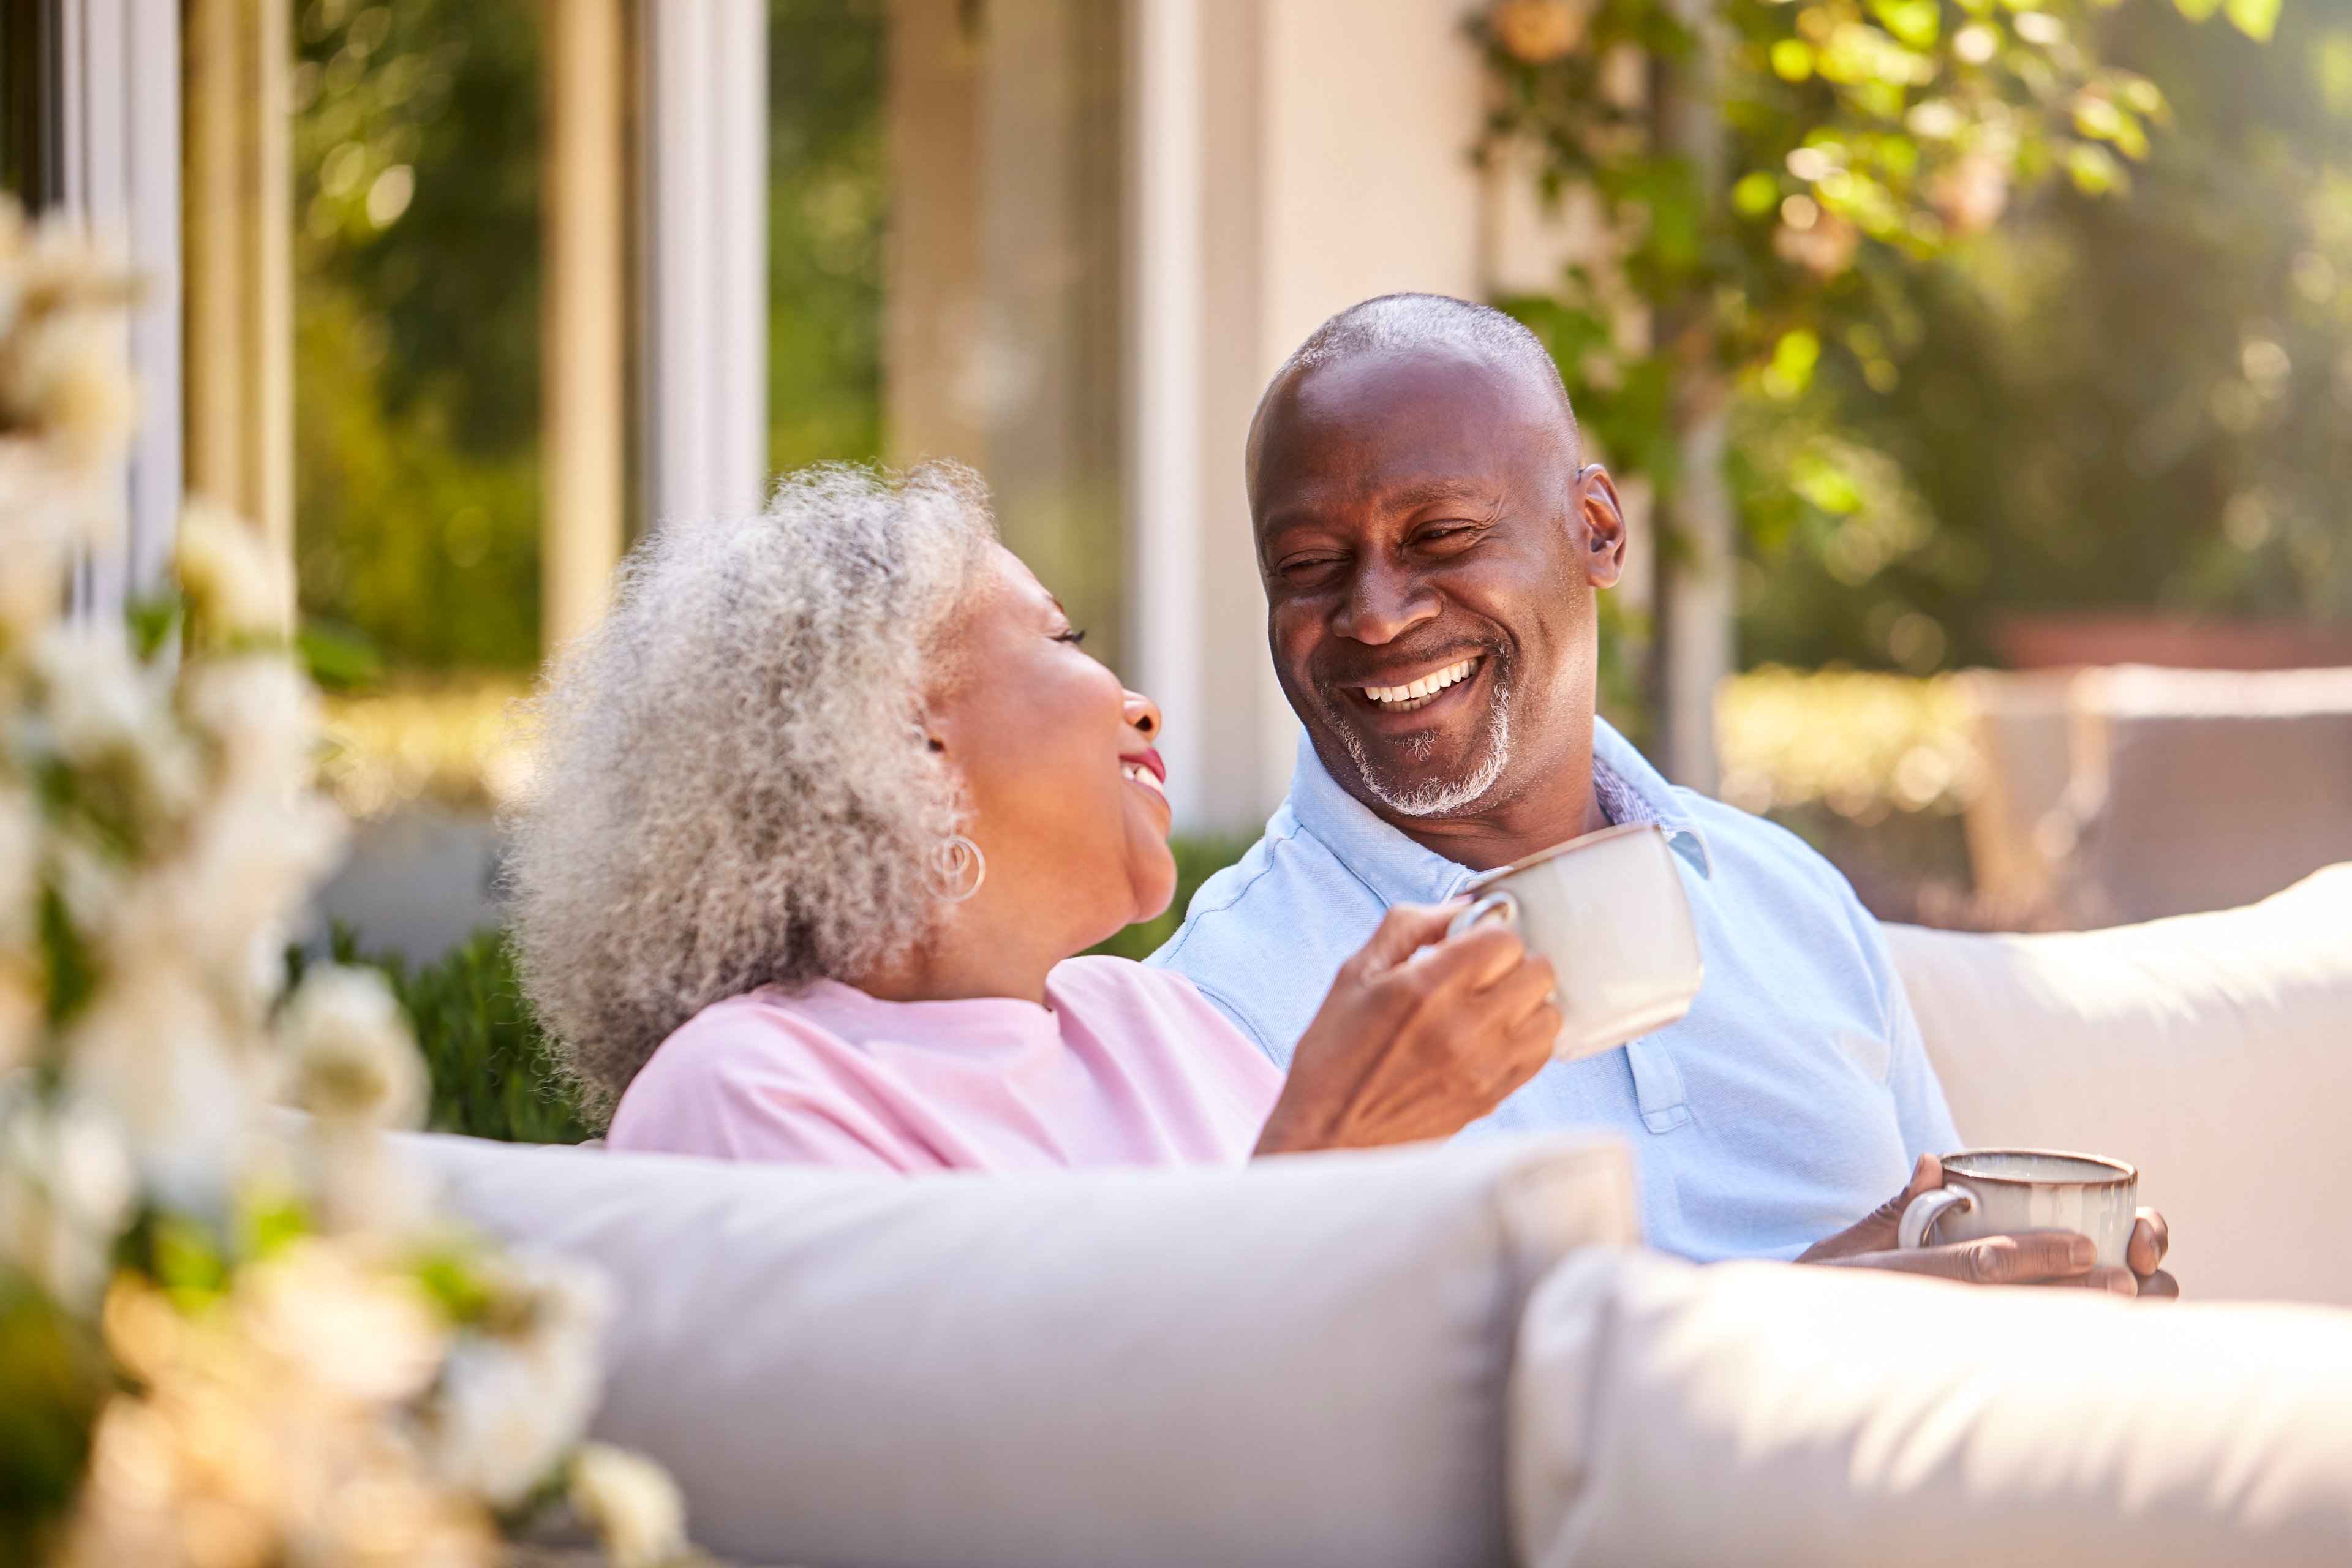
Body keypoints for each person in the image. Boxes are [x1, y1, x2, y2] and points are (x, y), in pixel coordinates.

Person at [1148, 293, 2176, 1295]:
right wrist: (1794, 1330)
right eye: (1311, 565)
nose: (1373, 615)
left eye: (1444, 536)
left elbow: (1942, 1243)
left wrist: (2054, 1317)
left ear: (1596, 529)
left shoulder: (1785, 897)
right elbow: (1277, 1426)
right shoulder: (1223, 1004)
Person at [505, 463, 1562, 1173]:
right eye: (1062, 640)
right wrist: (1330, 1151)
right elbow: (974, 1477)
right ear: (902, 743)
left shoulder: (1161, 1024)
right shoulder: (748, 1089)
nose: (1141, 704)